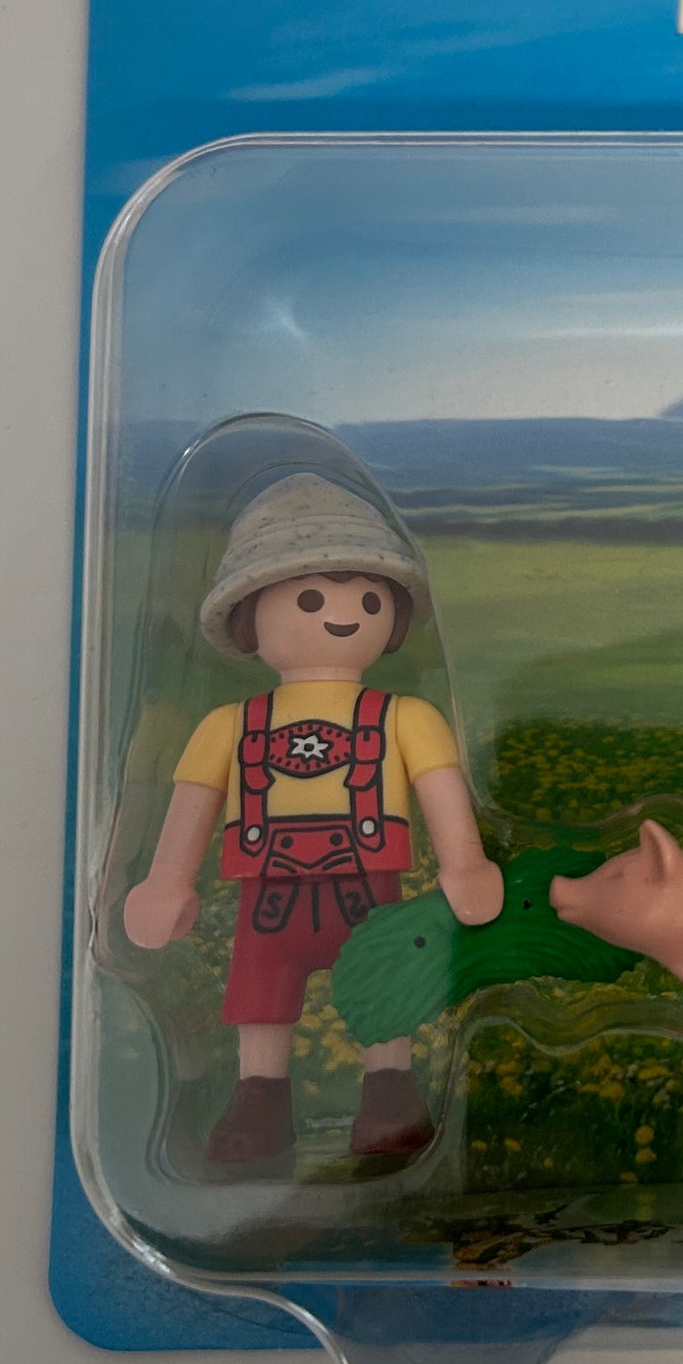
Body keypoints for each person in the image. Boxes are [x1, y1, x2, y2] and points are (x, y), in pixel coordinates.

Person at [123, 473, 502, 1163]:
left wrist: (465, 863)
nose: (344, 614)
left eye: (368, 598)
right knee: (260, 994)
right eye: (309, 598)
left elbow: (444, 793)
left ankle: (389, 1088)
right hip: (269, 900)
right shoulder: (228, 725)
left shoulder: (406, 717)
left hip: (368, 891)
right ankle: (259, 1096)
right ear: (250, 616)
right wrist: (166, 881)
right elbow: (191, 803)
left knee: (382, 982)